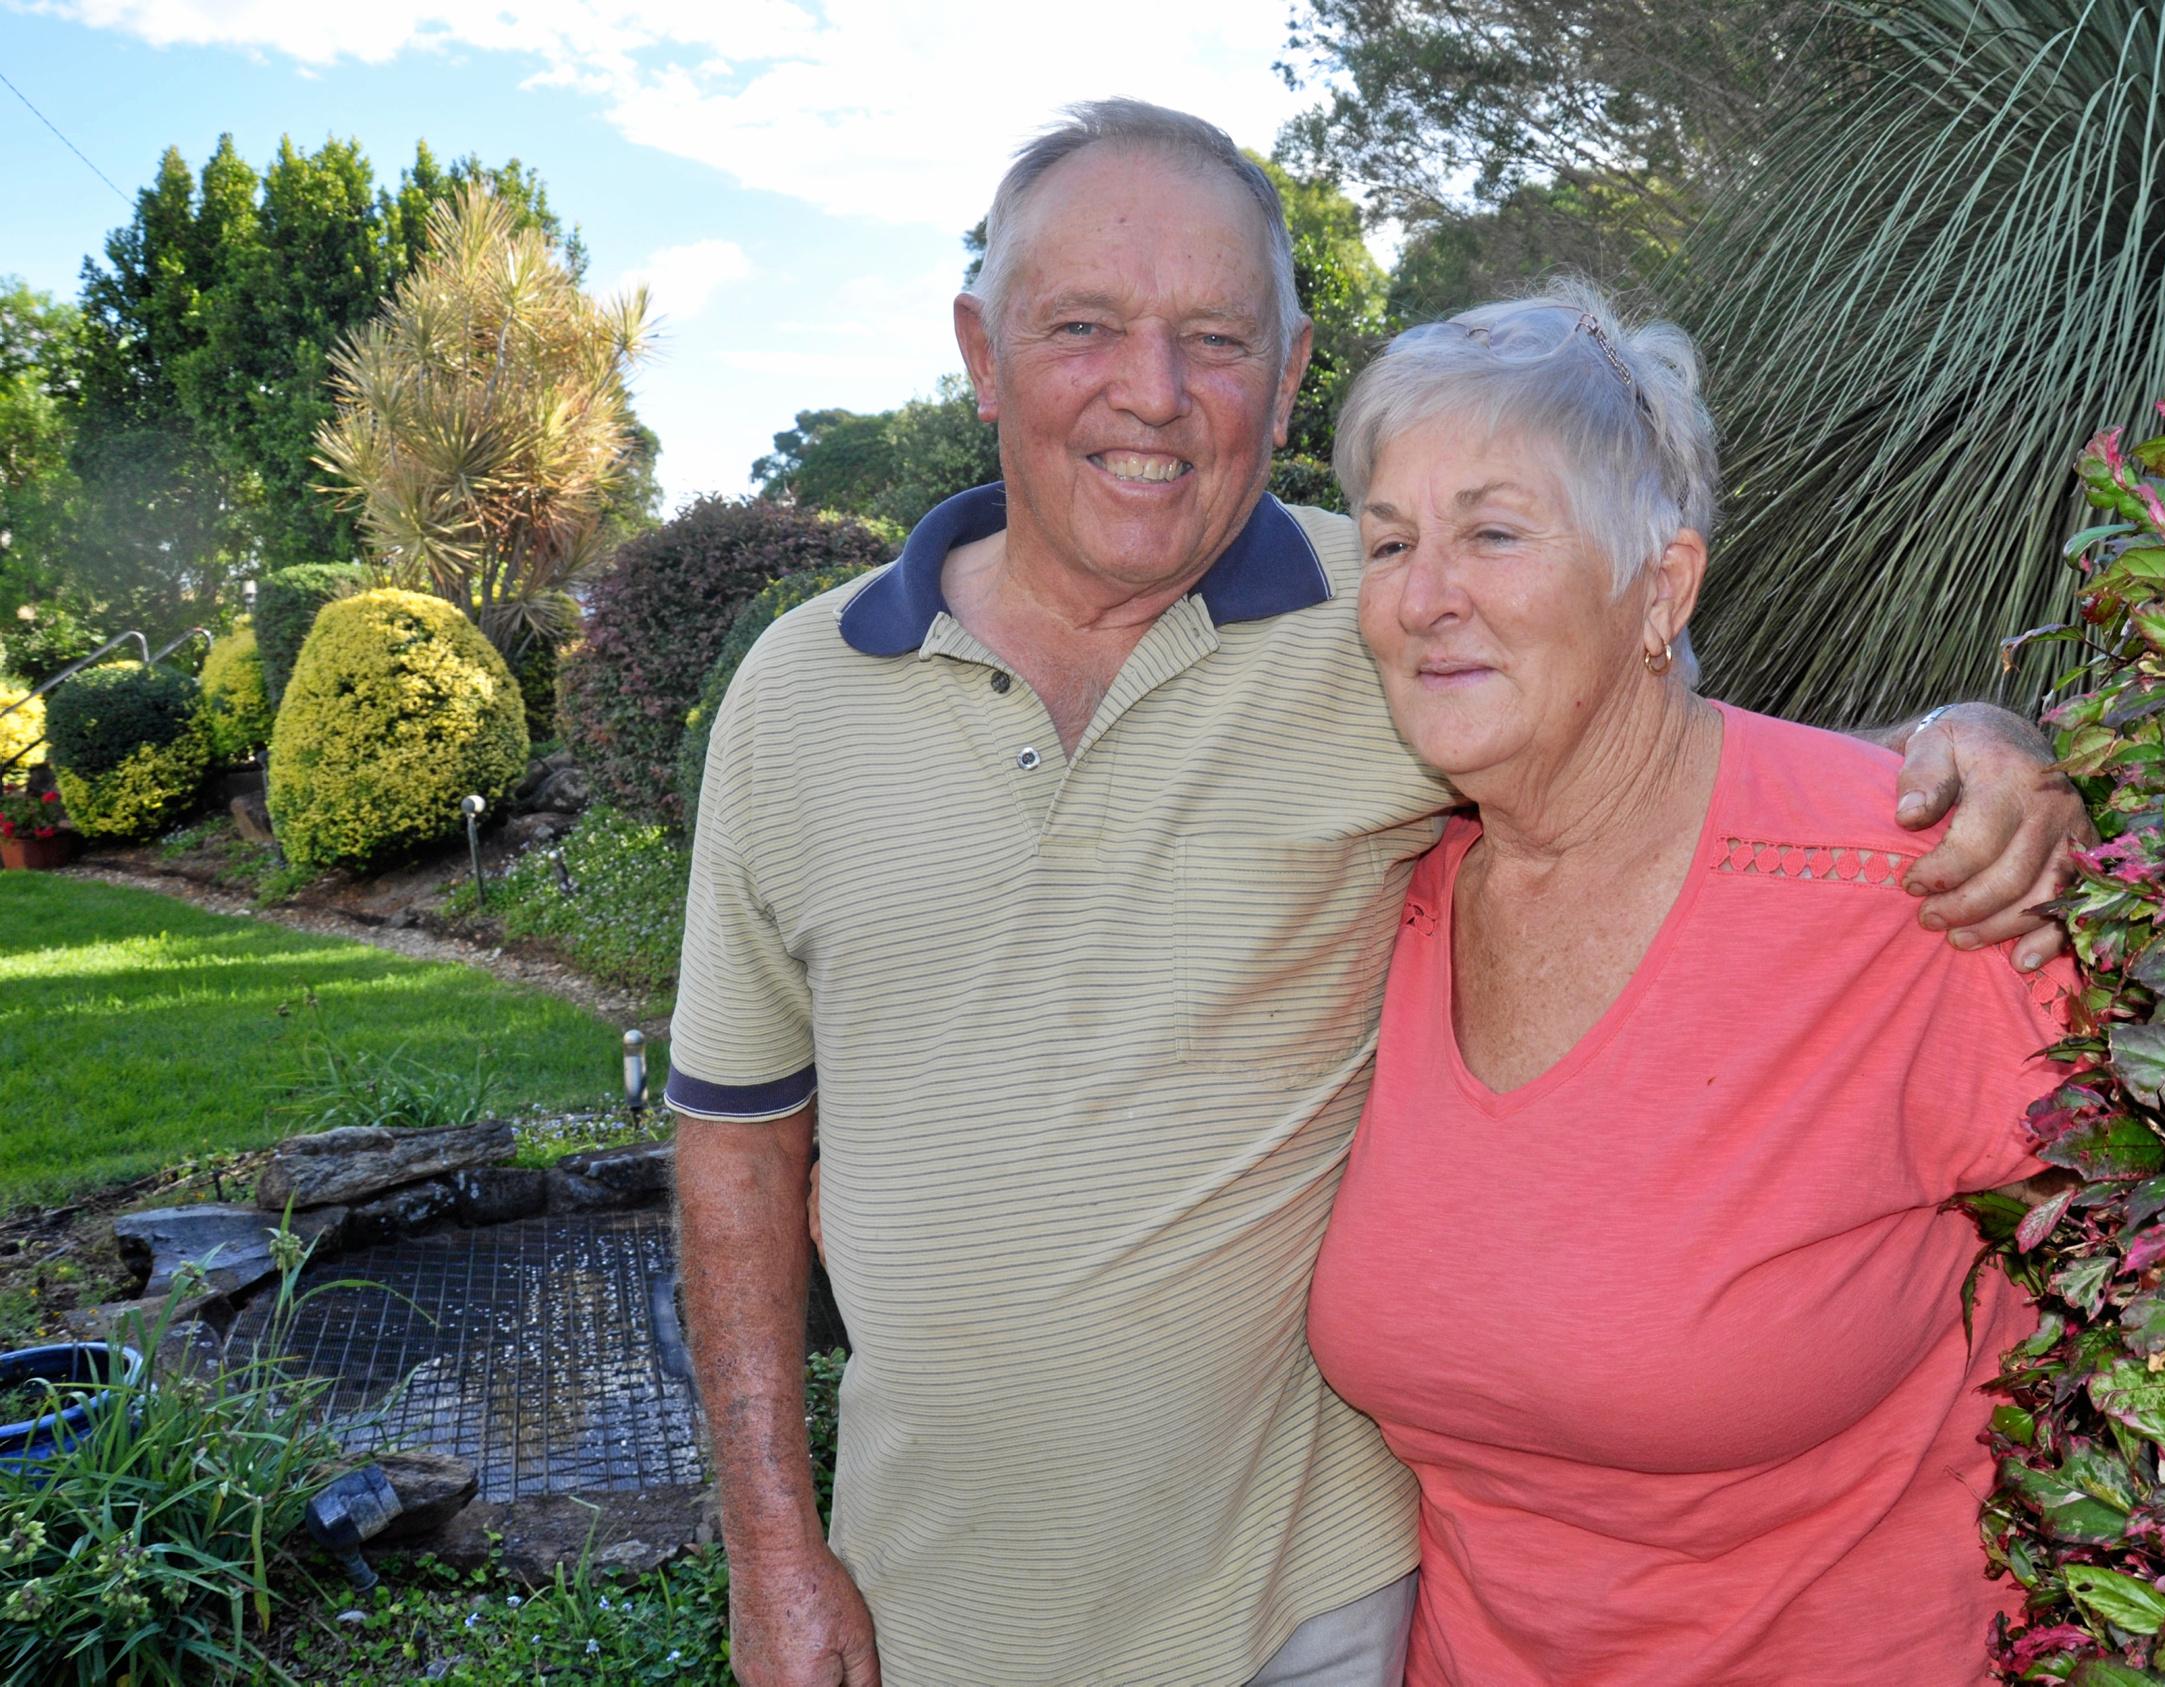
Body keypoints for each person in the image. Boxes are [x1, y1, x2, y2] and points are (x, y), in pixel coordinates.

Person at [670, 100, 2088, 1687]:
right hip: (935, 1600)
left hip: (1313, 1616)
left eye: (1213, 338)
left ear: (1283, 380)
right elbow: (735, 1137)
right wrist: (771, 1549)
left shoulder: (1389, 622)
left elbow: (1667, 751)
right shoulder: (801, 699)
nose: (1151, 393)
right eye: (1082, 328)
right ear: (981, 352)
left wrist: (1969, 755)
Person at [1304, 284, 2076, 1686]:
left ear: (1659, 588)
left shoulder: (1916, 890)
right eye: (1389, 541)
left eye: (1491, 531)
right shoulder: (1398, 899)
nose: (1424, 597)